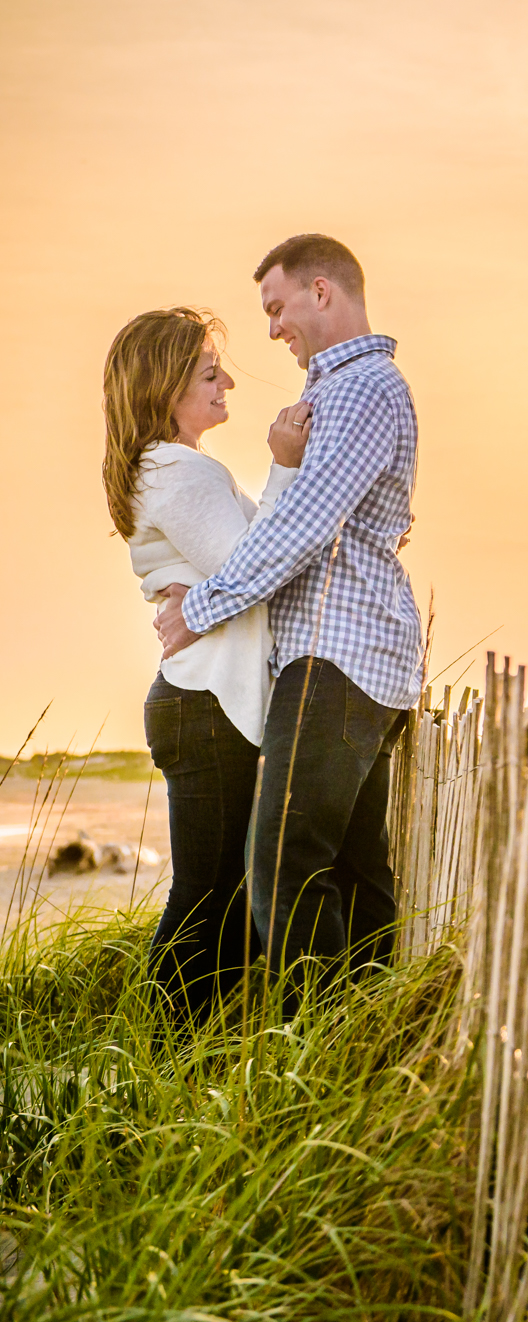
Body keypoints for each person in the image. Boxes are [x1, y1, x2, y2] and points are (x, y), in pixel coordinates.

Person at [154, 234, 423, 1016]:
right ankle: (367, 1046)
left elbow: (302, 525)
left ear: (320, 292)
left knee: (282, 857)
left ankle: (319, 1049)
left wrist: (197, 611)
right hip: (361, 653)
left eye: (276, 309)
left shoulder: (360, 388)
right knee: (349, 865)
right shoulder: (351, 391)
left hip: (335, 654)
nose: (273, 330)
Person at [104, 307, 309, 1022]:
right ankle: (158, 1052)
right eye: (207, 370)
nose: (226, 382)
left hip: (202, 703)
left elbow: (244, 566)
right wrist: (284, 466)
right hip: (202, 705)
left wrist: (205, 601)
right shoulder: (178, 469)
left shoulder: (179, 468)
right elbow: (255, 564)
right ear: (165, 388)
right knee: (205, 894)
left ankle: (193, 1050)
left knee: (221, 892)